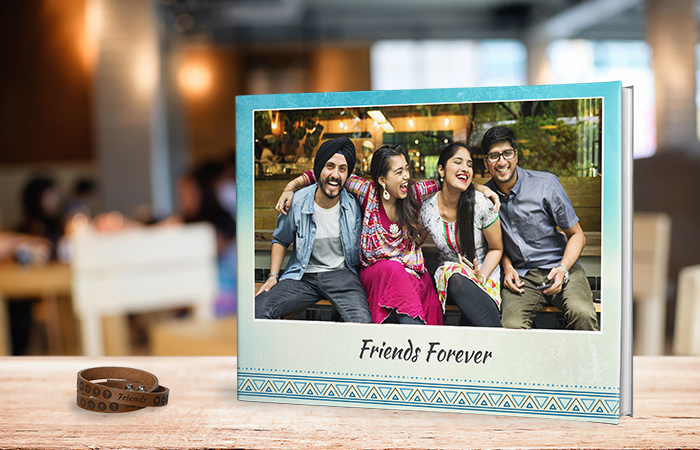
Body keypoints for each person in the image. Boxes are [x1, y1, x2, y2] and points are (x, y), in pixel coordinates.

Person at [278, 142, 500, 326]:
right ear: (382, 180)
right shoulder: (367, 192)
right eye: (399, 172)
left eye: (407, 169)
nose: (406, 177)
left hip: (412, 274)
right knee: (392, 269)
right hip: (379, 273)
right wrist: (291, 187)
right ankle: (417, 342)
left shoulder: (414, 192)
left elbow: (450, 183)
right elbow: (326, 174)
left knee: (415, 281)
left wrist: (482, 188)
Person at [481, 126, 599, 331]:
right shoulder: (485, 197)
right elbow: (496, 245)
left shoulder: (546, 185)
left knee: (583, 315)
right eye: (494, 156)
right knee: (511, 326)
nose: (501, 162)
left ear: (516, 155)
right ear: (485, 162)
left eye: (507, 153)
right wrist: (507, 268)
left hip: (562, 267)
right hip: (521, 276)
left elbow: (577, 235)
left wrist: (562, 269)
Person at [255, 137, 372, 323]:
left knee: (362, 323)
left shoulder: (355, 205)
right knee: (257, 310)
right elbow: (281, 239)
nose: (335, 174)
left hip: (342, 276)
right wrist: (272, 276)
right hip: (303, 277)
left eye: (342, 169)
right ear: (318, 170)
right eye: (330, 166)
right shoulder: (297, 202)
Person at [420, 143, 503, 327]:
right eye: (458, 162)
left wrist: (482, 275)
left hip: (485, 270)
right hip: (450, 274)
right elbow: (414, 243)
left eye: (469, 164)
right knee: (456, 276)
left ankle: (486, 340)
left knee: (472, 318)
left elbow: (497, 248)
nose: (465, 168)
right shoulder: (428, 210)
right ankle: (499, 338)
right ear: (441, 169)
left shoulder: (481, 204)